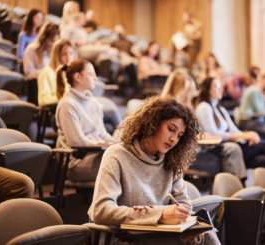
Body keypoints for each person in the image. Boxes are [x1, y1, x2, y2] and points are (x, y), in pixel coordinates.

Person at [88, 96, 221, 245]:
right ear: (153, 123)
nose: (174, 140)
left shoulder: (171, 161)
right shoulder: (116, 155)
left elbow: (184, 204)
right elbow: (100, 211)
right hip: (121, 237)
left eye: (179, 136)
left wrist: (175, 214)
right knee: (203, 238)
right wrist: (160, 214)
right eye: (171, 129)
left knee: (205, 232)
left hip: (157, 233)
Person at [161, 71, 247, 181]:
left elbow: (189, 136)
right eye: (185, 90)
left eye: (189, 91)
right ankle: (236, 191)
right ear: (176, 88)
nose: (187, 95)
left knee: (232, 155)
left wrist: (201, 136)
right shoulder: (168, 110)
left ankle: (237, 192)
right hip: (182, 156)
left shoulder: (185, 109)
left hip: (192, 153)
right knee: (229, 158)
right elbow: (177, 138)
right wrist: (198, 138)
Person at [196, 77, 265, 179]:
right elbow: (214, 134)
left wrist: (247, 136)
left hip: (229, 143)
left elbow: (234, 130)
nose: (221, 89)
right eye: (217, 86)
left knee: (264, 160)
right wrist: (245, 136)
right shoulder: (204, 107)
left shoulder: (221, 109)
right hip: (217, 147)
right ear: (208, 89)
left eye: (221, 86)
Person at [55, 59, 116, 181]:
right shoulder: (67, 104)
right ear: (78, 77)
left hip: (95, 155)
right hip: (77, 162)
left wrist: (118, 144)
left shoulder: (95, 104)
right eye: (91, 74)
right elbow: (77, 141)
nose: (95, 78)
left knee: (125, 155)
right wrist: (107, 146)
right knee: (119, 162)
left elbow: (103, 134)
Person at [37, 39, 76, 106]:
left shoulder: (71, 74)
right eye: (64, 54)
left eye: (71, 53)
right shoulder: (47, 72)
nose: (68, 57)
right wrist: (67, 98)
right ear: (57, 55)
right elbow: (43, 100)